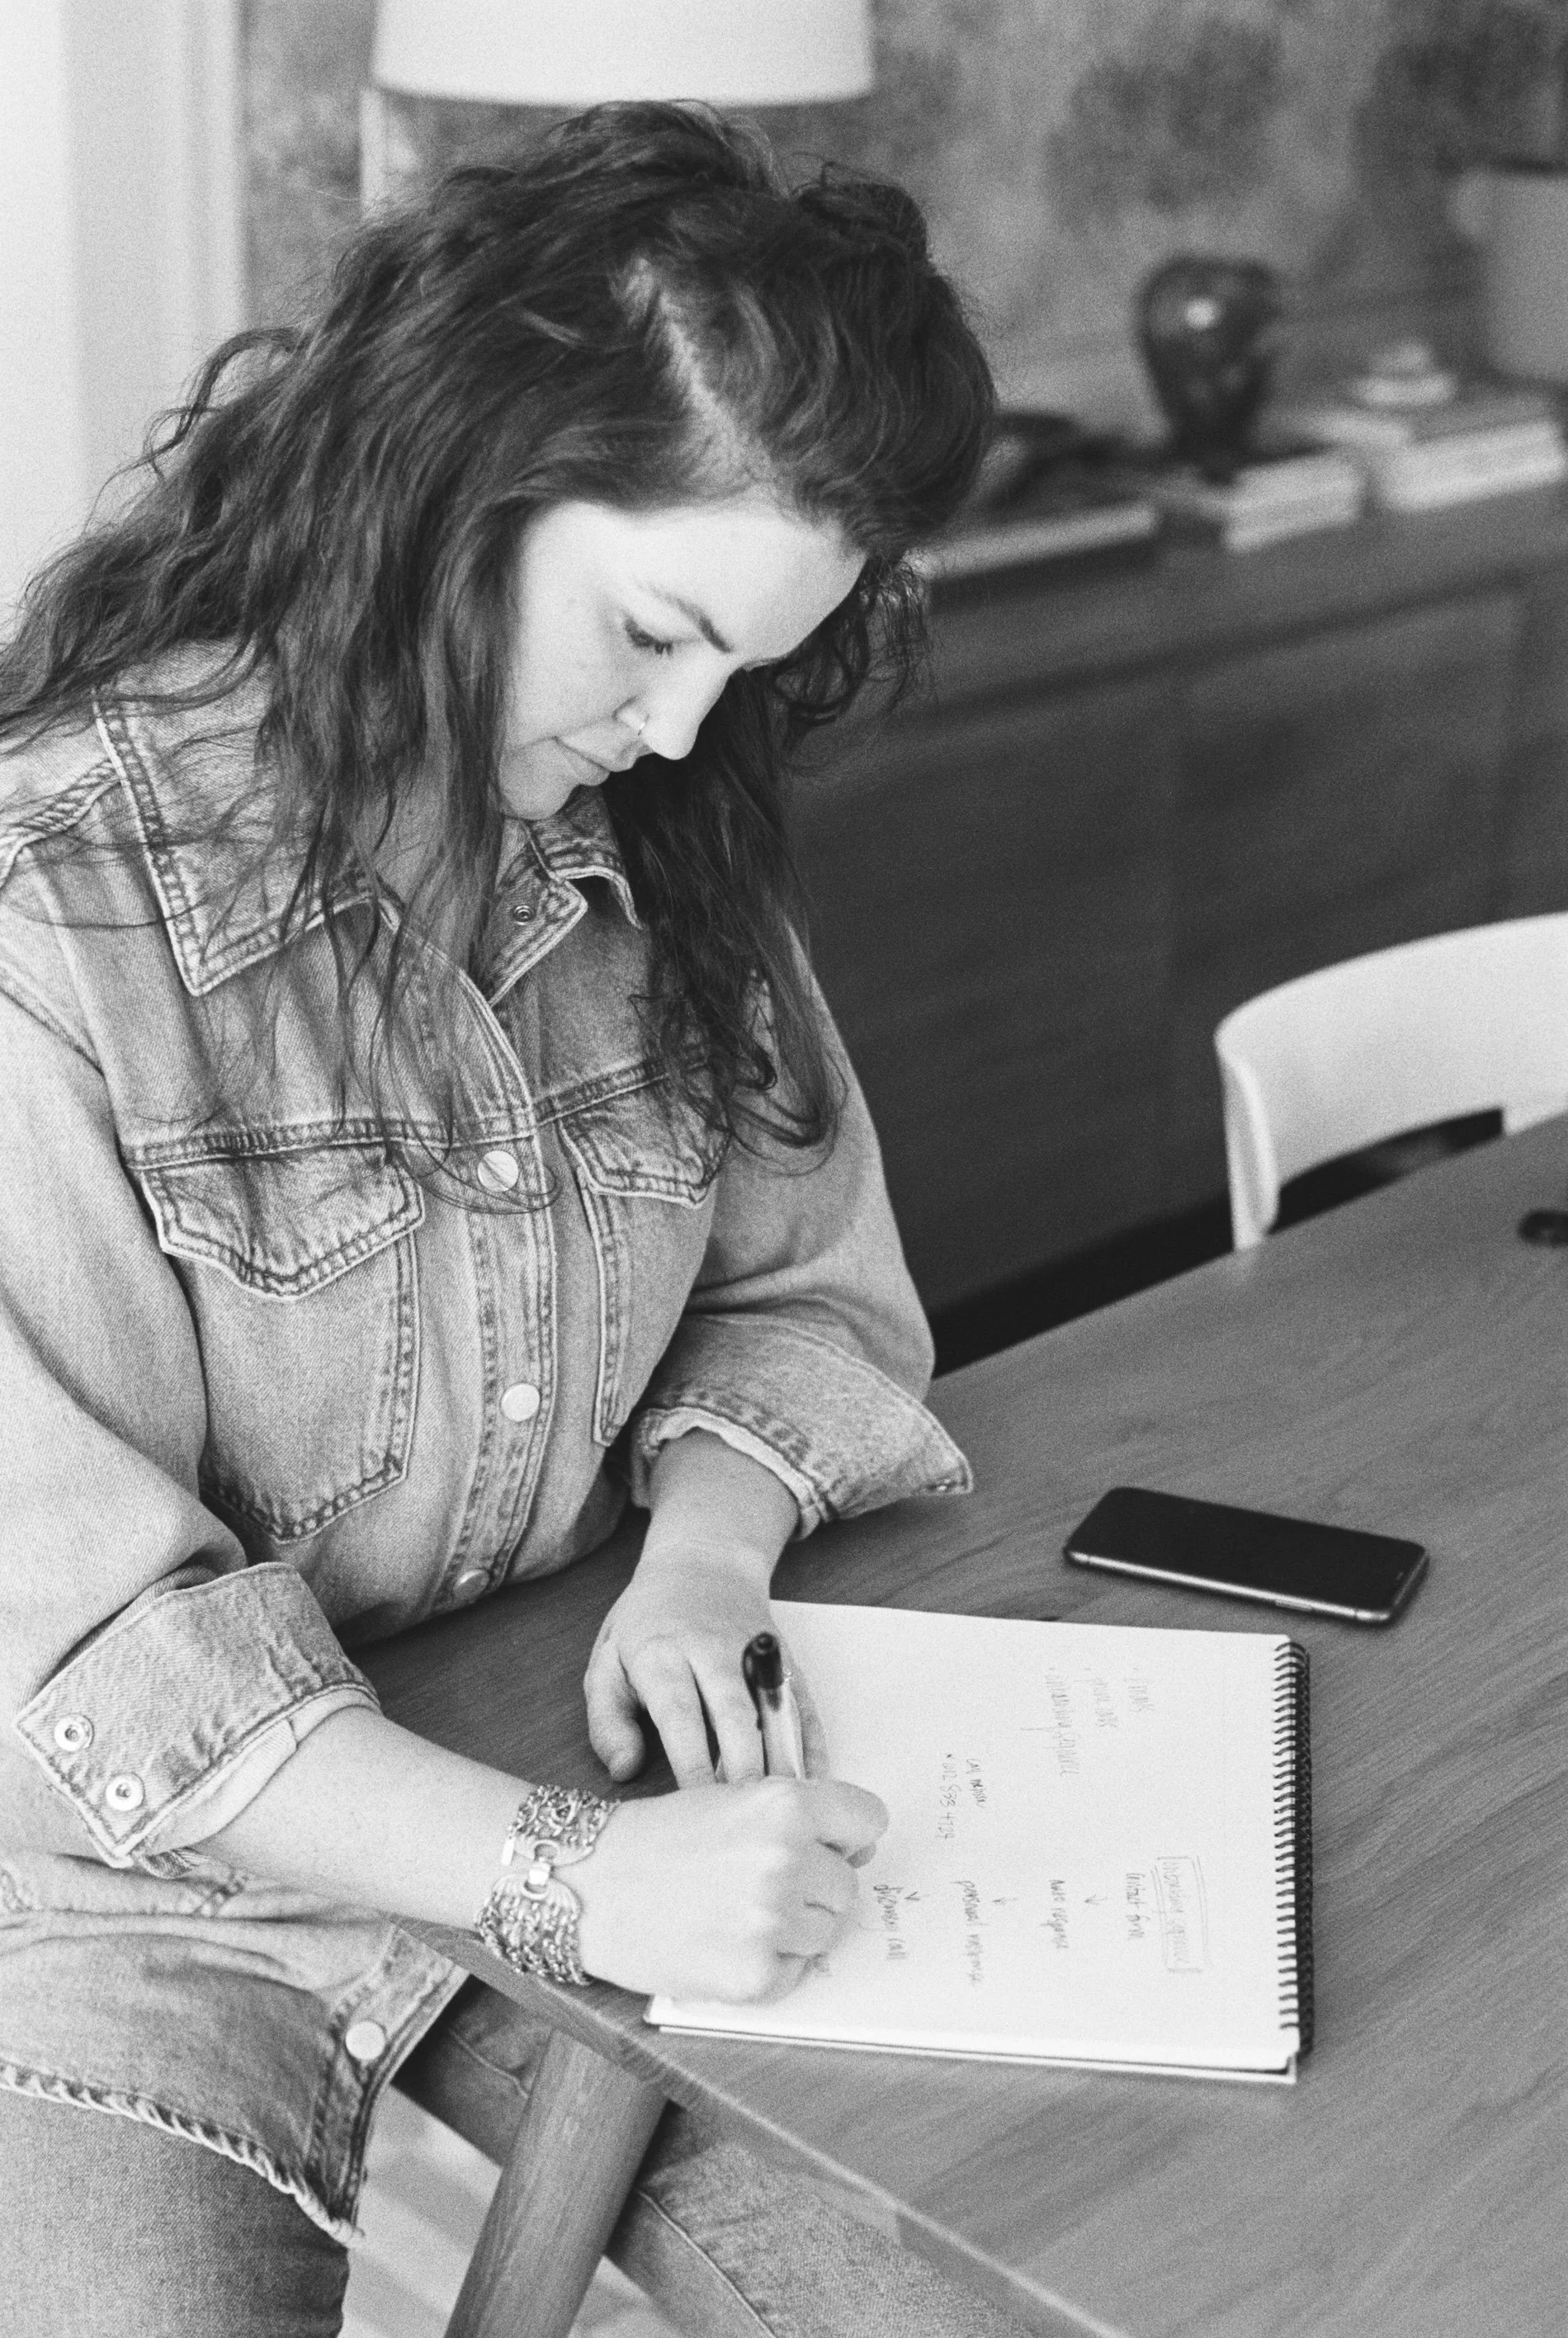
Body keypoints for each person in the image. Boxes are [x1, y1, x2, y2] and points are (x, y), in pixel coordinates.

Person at [0, 103, 1018, 2337]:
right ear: (450, 486)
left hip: (535, 1734)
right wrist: (584, 1875)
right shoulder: (49, 925)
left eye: (745, 673)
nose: (677, 734)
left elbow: (805, 1292)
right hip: (112, 1898)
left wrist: (705, 1555)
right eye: (650, 634)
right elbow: (85, 1662)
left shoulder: (647, 849)